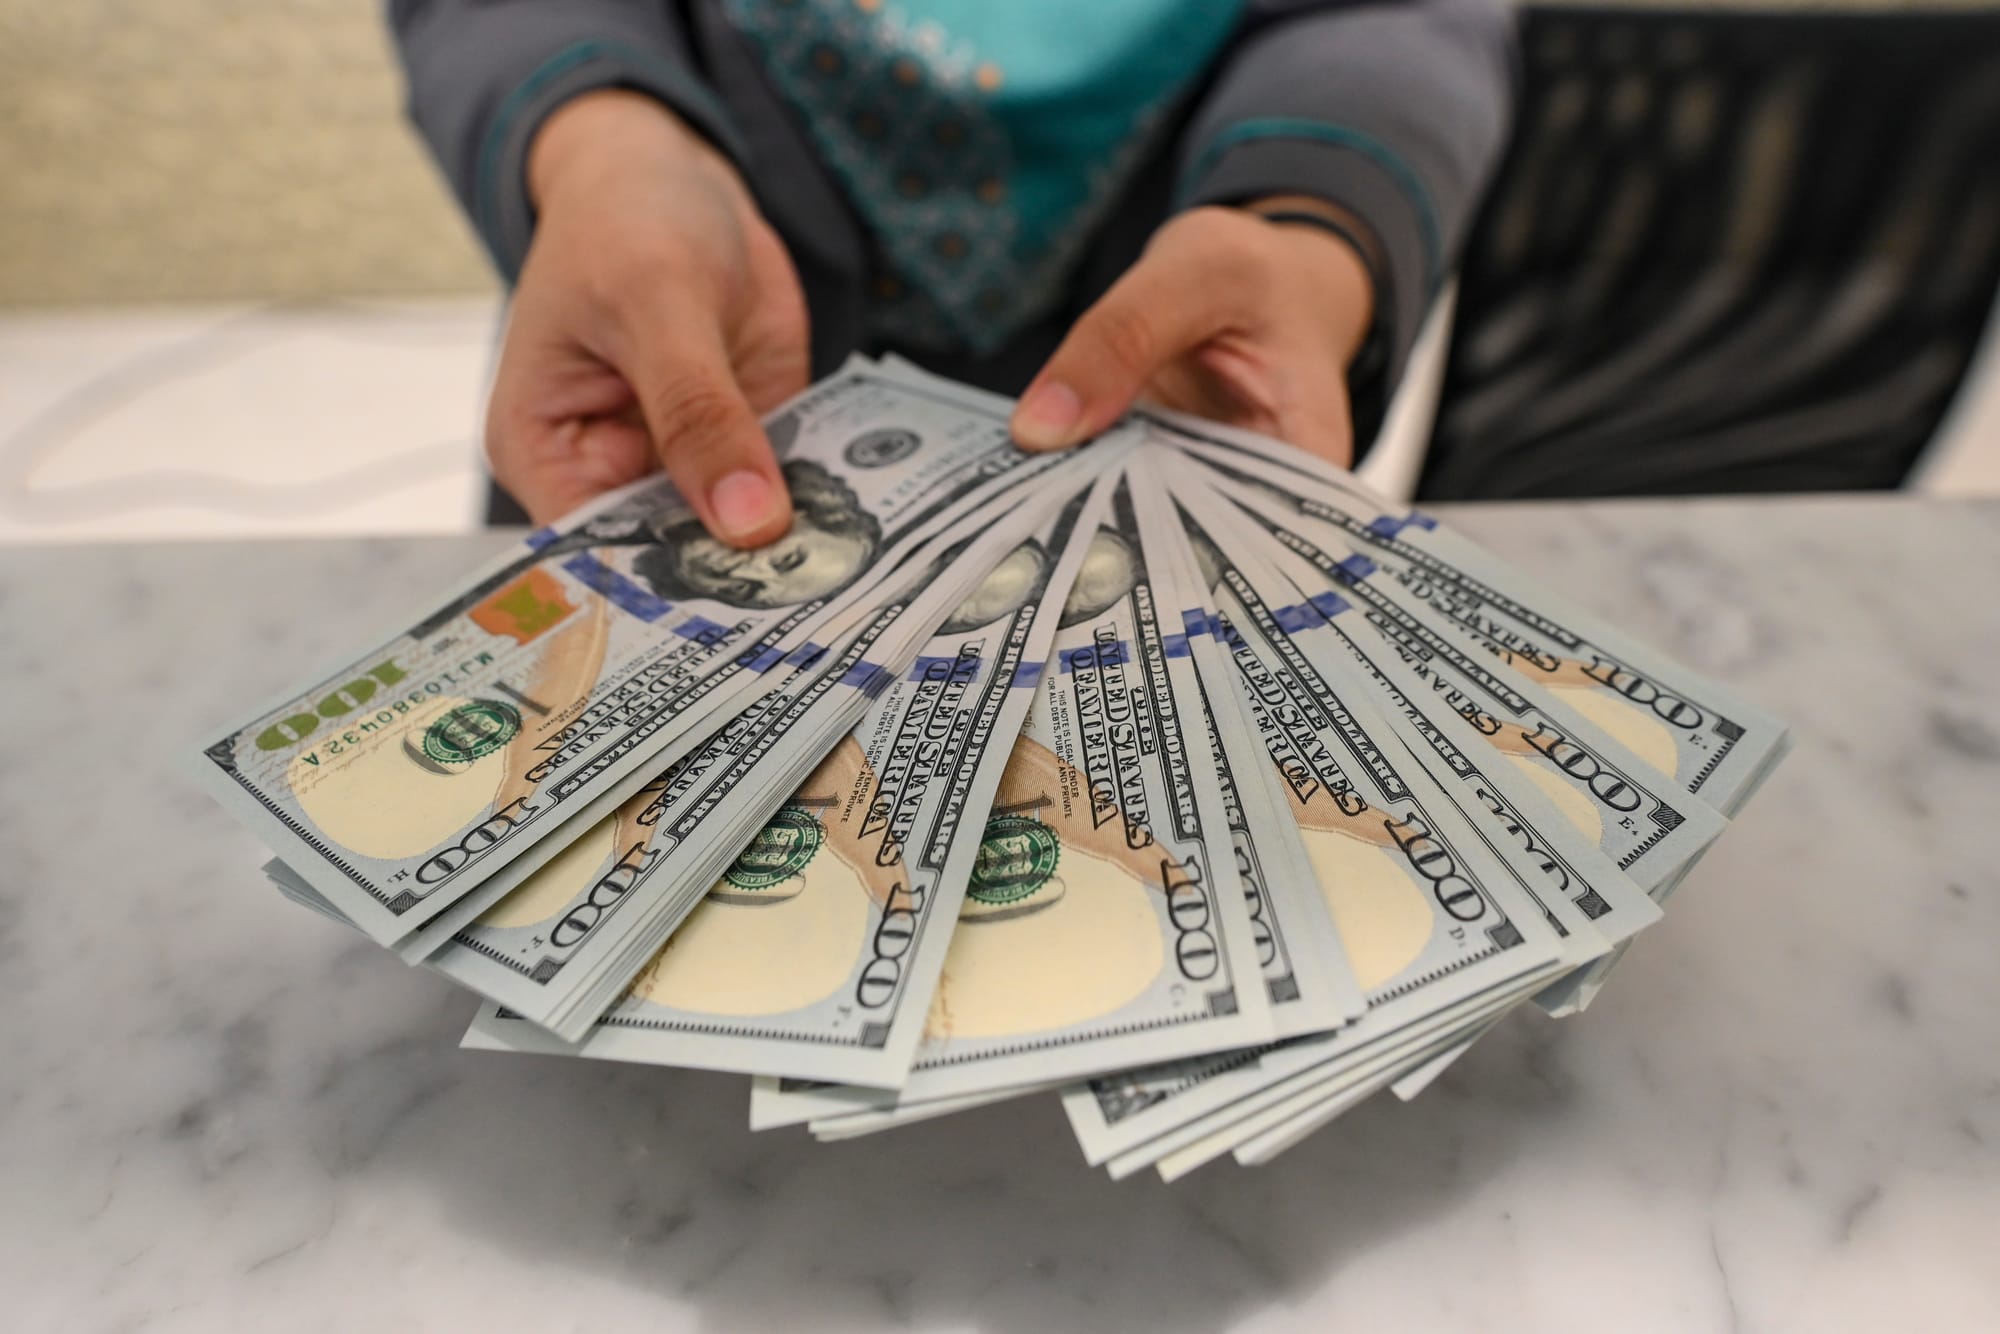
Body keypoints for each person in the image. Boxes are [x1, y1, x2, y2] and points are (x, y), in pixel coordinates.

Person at [390, 1, 1515, 548]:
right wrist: (604, 146)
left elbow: (1402, 20)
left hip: (1164, 389)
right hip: (665, 359)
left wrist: (1309, 220)